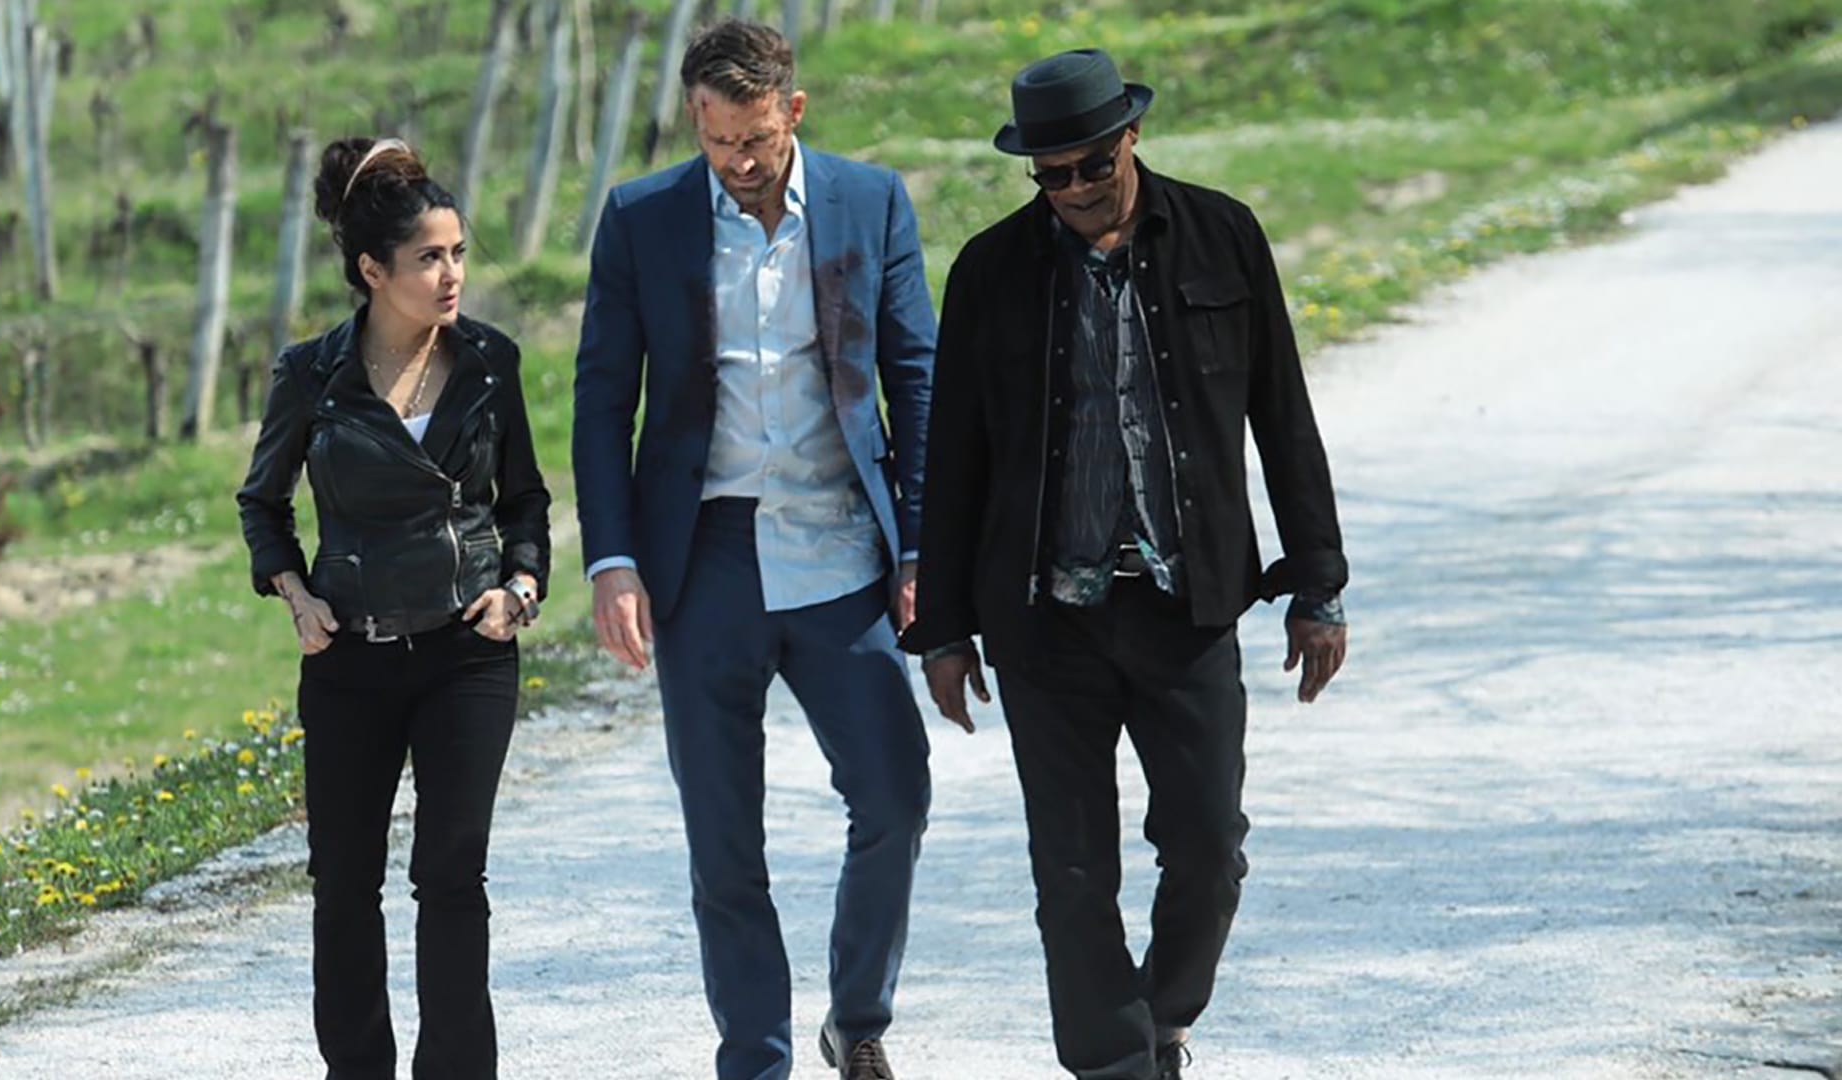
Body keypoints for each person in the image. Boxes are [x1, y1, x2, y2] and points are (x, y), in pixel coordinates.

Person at [900, 49, 1351, 1080]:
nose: (1071, 190)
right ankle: (1114, 1064)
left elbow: (1283, 413)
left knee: (1208, 847)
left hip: (1186, 605)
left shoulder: (1223, 235)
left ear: (1131, 138)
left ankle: (1166, 1015)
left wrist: (1316, 582)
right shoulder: (990, 271)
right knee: (1070, 871)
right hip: (1044, 619)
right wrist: (943, 631)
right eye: (1049, 174)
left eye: (1090, 167)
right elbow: (955, 458)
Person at [572, 19, 936, 1080]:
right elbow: (603, 401)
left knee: (896, 796)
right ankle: (756, 1059)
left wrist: (921, 547)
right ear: (696, 119)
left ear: (793, 112)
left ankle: (857, 1021)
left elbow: (916, 379)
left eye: (757, 141)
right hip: (705, 561)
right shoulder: (641, 219)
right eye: (718, 141)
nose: (737, 163)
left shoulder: (871, 202)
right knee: (725, 842)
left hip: (840, 551)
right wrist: (613, 560)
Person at [237, 136, 551, 1080]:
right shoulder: (311, 375)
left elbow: (525, 500)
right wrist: (295, 592)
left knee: (452, 876)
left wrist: (521, 587)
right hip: (351, 659)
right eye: (428, 258)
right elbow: (262, 503)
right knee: (344, 883)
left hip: (468, 651)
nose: (452, 274)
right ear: (373, 271)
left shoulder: (491, 361)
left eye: (458, 253)